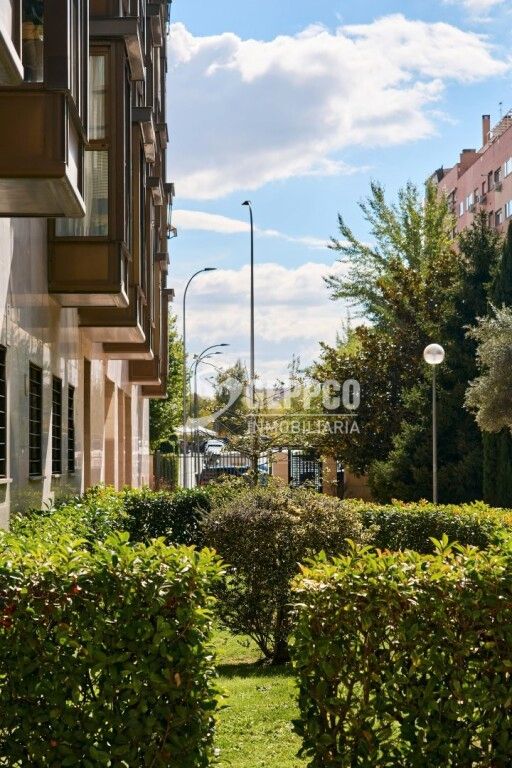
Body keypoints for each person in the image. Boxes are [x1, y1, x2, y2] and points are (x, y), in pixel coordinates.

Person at [22, 0, 44, 82]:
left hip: (37, 30)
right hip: (28, 27)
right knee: (31, 61)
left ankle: (32, 82)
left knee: (35, 62)